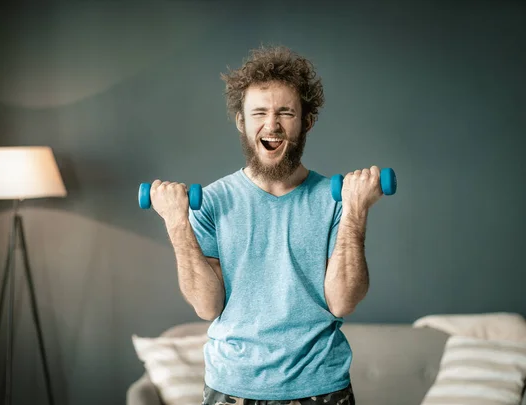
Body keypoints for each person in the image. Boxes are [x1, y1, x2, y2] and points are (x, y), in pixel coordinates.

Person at [148, 45, 384, 404]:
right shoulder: (212, 202)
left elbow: (343, 302)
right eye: (259, 112)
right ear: (242, 122)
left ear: (307, 121)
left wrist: (356, 210)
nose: (271, 125)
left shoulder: (337, 201)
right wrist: (176, 222)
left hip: (321, 386)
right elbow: (207, 307)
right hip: (232, 386)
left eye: (285, 112)